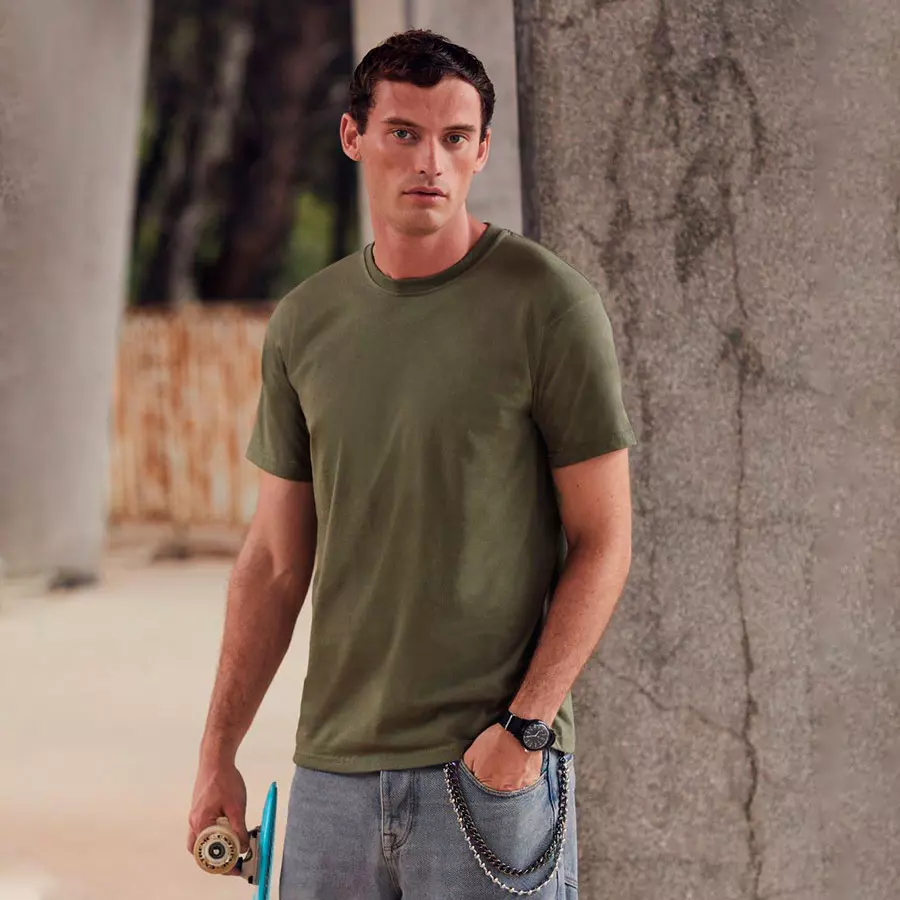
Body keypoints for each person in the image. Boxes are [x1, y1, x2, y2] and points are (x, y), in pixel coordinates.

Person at [187, 28, 635, 900]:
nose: (431, 161)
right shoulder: (305, 323)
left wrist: (525, 731)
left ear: (482, 150)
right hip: (332, 778)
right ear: (354, 136)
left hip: (487, 775)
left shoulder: (550, 308)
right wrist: (218, 754)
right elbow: (274, 561)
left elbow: (605, 539)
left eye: (454, 137)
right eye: (404, 133)